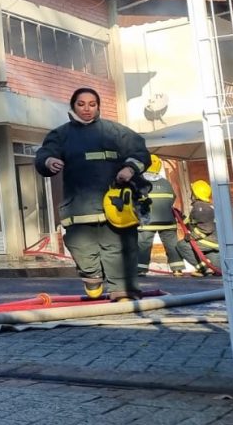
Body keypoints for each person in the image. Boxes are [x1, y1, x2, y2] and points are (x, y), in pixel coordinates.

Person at [36, 87, 150, 300]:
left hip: (116, 206)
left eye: (92, 104)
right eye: (81, 104)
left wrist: (130, 168)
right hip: (79, 207)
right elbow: (45, 153)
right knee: (81, 247)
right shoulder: (60, 135)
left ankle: (122, 291)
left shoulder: (116, 131)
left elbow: (140, 152)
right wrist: (49, 161)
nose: (86, 109)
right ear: (73, 106)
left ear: (98, 106)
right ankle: (91, 276)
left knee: (118, 248)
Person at [136, 156, 189, 277]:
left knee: (144, 245)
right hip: (168, 221)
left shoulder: (140, 182)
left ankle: (140, 269)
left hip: (147, 222)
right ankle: (177, 269)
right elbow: (173, 198)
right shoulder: (166, 183)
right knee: (172, 245)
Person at [185, 179, 221, 274]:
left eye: (192, 191)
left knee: (182, 245)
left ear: (195, 194)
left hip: (209, 241)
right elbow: (195, 222)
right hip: (216, 241)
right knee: (218, 269)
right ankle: (213, 267)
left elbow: (206, 228)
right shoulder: (207, 206)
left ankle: (203, 269)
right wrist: (183, 218)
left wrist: (191, 236)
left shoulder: (200, 207)